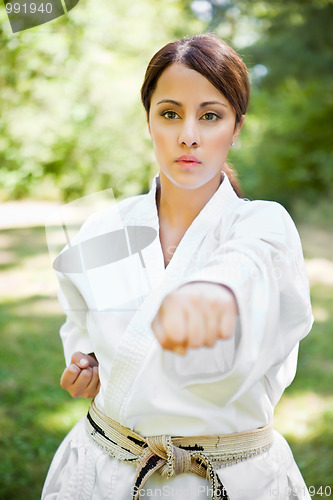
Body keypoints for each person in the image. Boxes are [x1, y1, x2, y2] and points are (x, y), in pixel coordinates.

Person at [42, 33, 313, 499]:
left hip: (229, 479)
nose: (189, 134)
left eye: (210, 116)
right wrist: (86, 363)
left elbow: (247, 266)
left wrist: (213, 294)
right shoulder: (103, 227)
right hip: (105, 472)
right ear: (149, 121)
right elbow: (83, 328)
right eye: (170, 113)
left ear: (237, 126)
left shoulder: (265, 224)